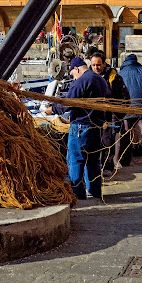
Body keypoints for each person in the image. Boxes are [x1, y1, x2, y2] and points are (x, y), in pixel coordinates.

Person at [45, 57, 111, 200]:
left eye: (73, 74)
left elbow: (67, 103)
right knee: (93, 161)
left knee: (76, 160)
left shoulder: (81, 81)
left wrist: (52, 109)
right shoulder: (100, 80)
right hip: (96, 126)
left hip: (81, 127)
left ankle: (77, 193)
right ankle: (95, 191)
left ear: (76, 69)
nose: (73, 78)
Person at [89, 52, 130, 177]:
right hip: (93, 115)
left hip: (110, 116)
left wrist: (119, 115)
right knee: (94, 142)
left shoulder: (114, 77)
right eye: (93, 65)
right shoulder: (88, 77)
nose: (96, 67)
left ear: (104, 64)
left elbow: (125, 97)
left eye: (98, 65)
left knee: (108, 142)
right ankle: (95, 167)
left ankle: (107, 167)